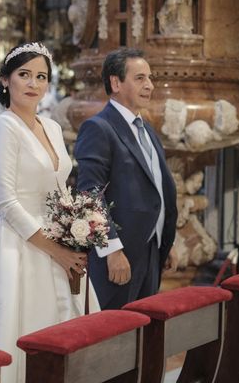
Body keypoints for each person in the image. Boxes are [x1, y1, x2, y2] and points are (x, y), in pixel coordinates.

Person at [0, 42, 99, 382]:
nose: (33, 84)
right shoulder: (5, 127)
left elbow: (61, 188)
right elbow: (6, 202)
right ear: (5, 81)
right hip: (18, 243)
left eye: (41, 76)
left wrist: (78, 225)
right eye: (24, 75)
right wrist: (55, 250)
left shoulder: (53, 128)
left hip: (60, 241)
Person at [74, 48, 178, 310]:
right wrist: (111, 250)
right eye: (140, 78)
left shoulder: (148, 130)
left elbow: (156, 188)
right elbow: (89, 194)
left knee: (144, 336)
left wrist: (165, 237)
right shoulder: (98, 128)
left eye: (150, 78)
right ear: (116, 82)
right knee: (113, 339)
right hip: (118, 256)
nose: (150, 85)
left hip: (150, 250)